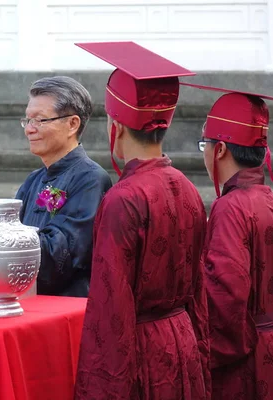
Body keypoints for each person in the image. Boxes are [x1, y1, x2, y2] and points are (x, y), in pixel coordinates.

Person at [74, 41, 210, 399]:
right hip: (183, 339)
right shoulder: (187, 187)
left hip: (144, 350)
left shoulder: (124, 198)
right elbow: (199, 293)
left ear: (115, 125)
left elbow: (110, 307)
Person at [184, 82, 273, 399]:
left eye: (206, 145)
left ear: (221, 149)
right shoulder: (271, 199)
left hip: (251, 359)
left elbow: (226, 300)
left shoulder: (230, 207)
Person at [15, 75, 112, 297]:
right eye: (27, 120)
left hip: (66, 308)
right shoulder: (34, 180)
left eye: (40, 120)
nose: (29, 129)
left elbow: (60, 255)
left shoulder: (90, 179)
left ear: (72, 124)